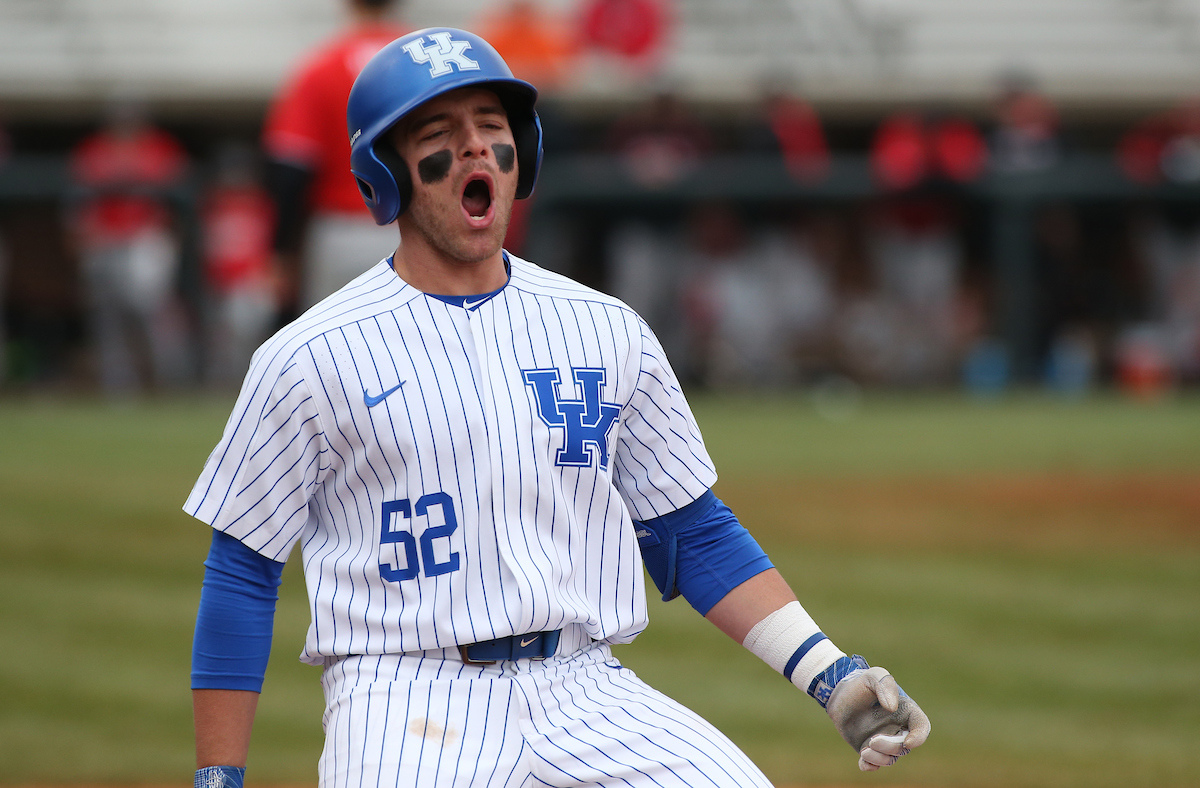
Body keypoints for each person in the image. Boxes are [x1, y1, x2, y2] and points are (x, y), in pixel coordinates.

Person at [186, 28, 930, 788]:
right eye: (438, 133)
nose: (474, 147)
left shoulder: (606, 329)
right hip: (401, 696)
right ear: (386, 171)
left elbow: (691, 530)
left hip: (585, 688)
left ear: (524, 151)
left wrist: (830, 674)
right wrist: (219, 778)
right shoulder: (309, 356)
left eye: (491, 125)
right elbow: (243, 571)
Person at [261, 0, 408, 312]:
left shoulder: (322, 67)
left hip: (339, 232)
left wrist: (281, 252)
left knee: (331, 339)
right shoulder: (422, 66)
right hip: (413, 229)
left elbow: (292, 171)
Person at [68, 96, 192, 395]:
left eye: (132, 119)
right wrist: (81, 238)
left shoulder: (160, 147)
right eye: (120, 119)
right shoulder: (93, 149)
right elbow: (76, 204)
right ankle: (119, 385)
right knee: (107, 316)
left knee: (153, 310)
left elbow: (178, 201)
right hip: (104, 240)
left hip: (146, 238)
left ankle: (171, 380)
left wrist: (170, 238)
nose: (126, 126)